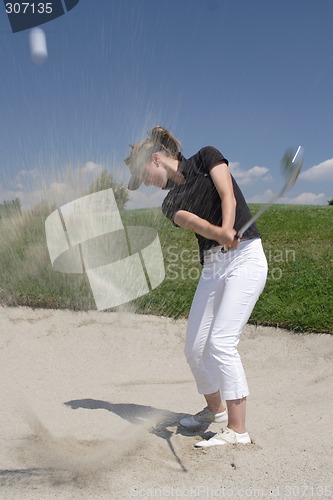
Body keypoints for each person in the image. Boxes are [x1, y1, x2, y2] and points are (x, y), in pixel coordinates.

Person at [124, 126, 268, 447]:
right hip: (214, 268)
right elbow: (195, 223)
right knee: (194, 348)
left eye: (142, 173)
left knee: (221, 342)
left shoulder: (206, 157)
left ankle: (237, 430)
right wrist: (219, 235)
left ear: (157, 158)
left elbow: (227, 193)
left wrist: (228, 229)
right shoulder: (169, 203)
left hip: (244, 257)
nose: (145, 181)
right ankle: (214, 411)